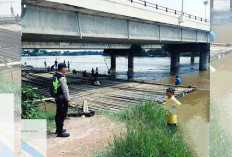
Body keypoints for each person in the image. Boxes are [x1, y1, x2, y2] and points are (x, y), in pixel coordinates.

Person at [52, 63, 72, 137]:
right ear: (63, 69)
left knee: (58, 114)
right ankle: (60, 133)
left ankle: (58, 129)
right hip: (62, 98)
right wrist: (68, 100)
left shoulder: (55, 75)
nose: (66, 69)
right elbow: (65, 90)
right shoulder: (61, 77)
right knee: (62, 115)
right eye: (65, 68)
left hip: (57, 97)